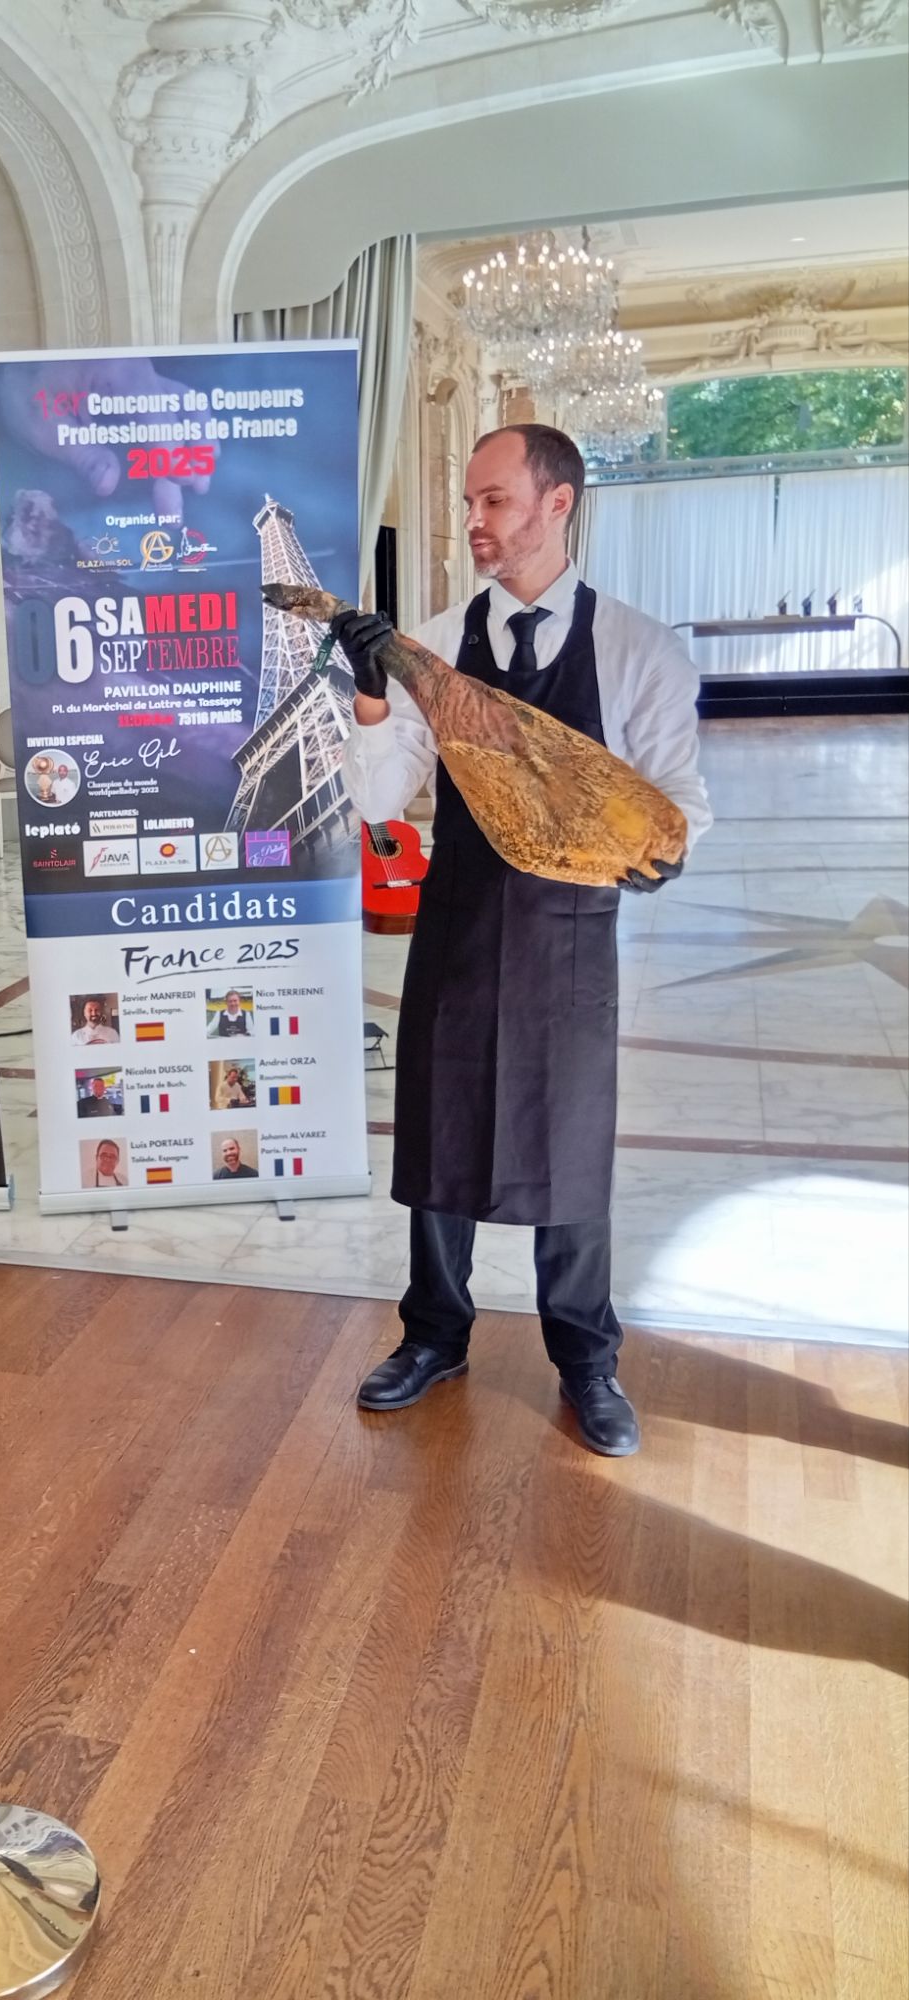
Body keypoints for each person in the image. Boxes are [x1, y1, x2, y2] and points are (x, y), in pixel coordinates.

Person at [335, 423, 711, 1458]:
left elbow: (679, 795)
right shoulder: (435, 641)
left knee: (570, 1147)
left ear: (558, 503)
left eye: (494, 500)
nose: (473, 521)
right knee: (438, 1131)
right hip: (457, 922)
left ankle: (586, 1357)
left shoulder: (637, 648)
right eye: (469, 501)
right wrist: (370, 696)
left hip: (571, 935)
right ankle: (434, 1334)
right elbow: (380, 798)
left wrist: (667, 847)